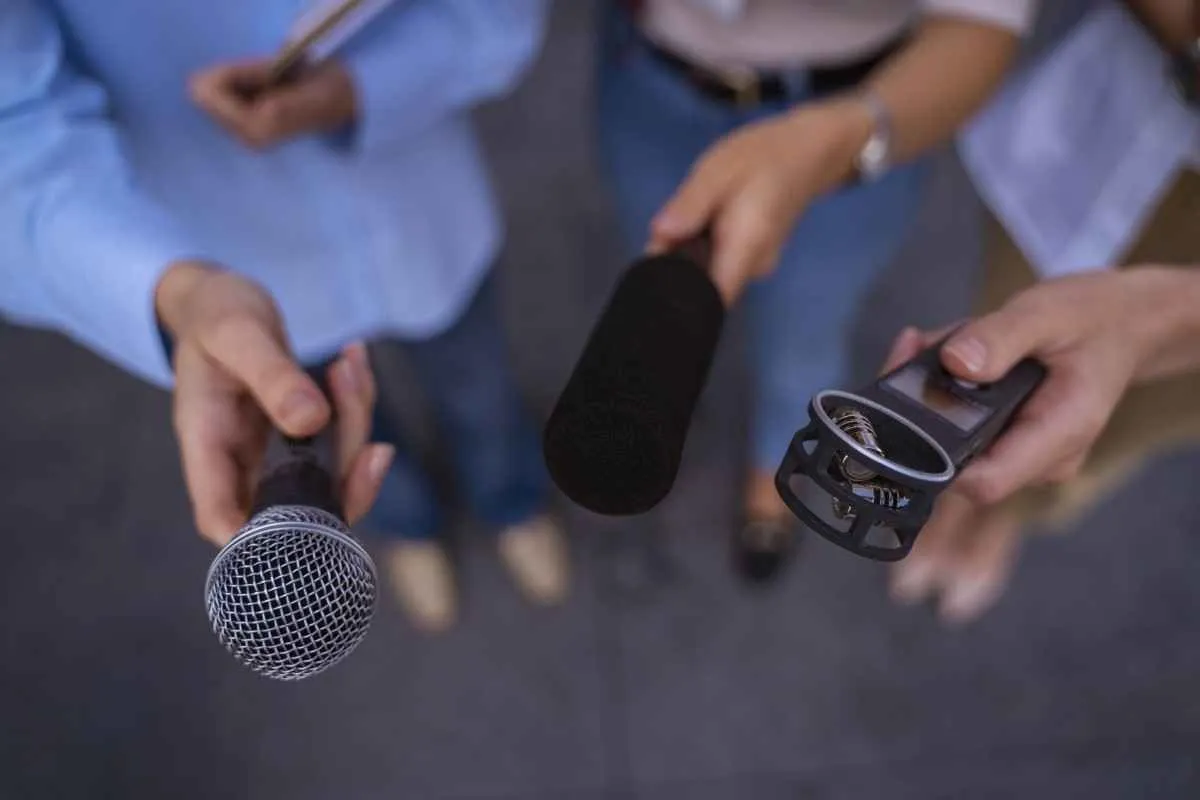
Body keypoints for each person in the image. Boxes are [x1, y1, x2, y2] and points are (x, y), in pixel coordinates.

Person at [0, 0, 562, 633]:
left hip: (419, 200)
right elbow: (12, 136)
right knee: (341, 431)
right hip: (236, 256)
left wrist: (367, 87)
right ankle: (408, 527)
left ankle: (512, 503)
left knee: (479, 387)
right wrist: (175, 290)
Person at [595, 0, 1037, 581]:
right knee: (658, 294)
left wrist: (836, 142)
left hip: (855, 97)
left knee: (802, 334)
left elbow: (984, 25)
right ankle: (670, 409)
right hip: (648, 71)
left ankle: (775, 475)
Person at [885, 0, 1200, 624]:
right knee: (1000, 353)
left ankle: (1009, 515)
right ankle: (962, 501)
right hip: (1111, 123)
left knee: (1117, 422)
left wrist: (1162, 320)